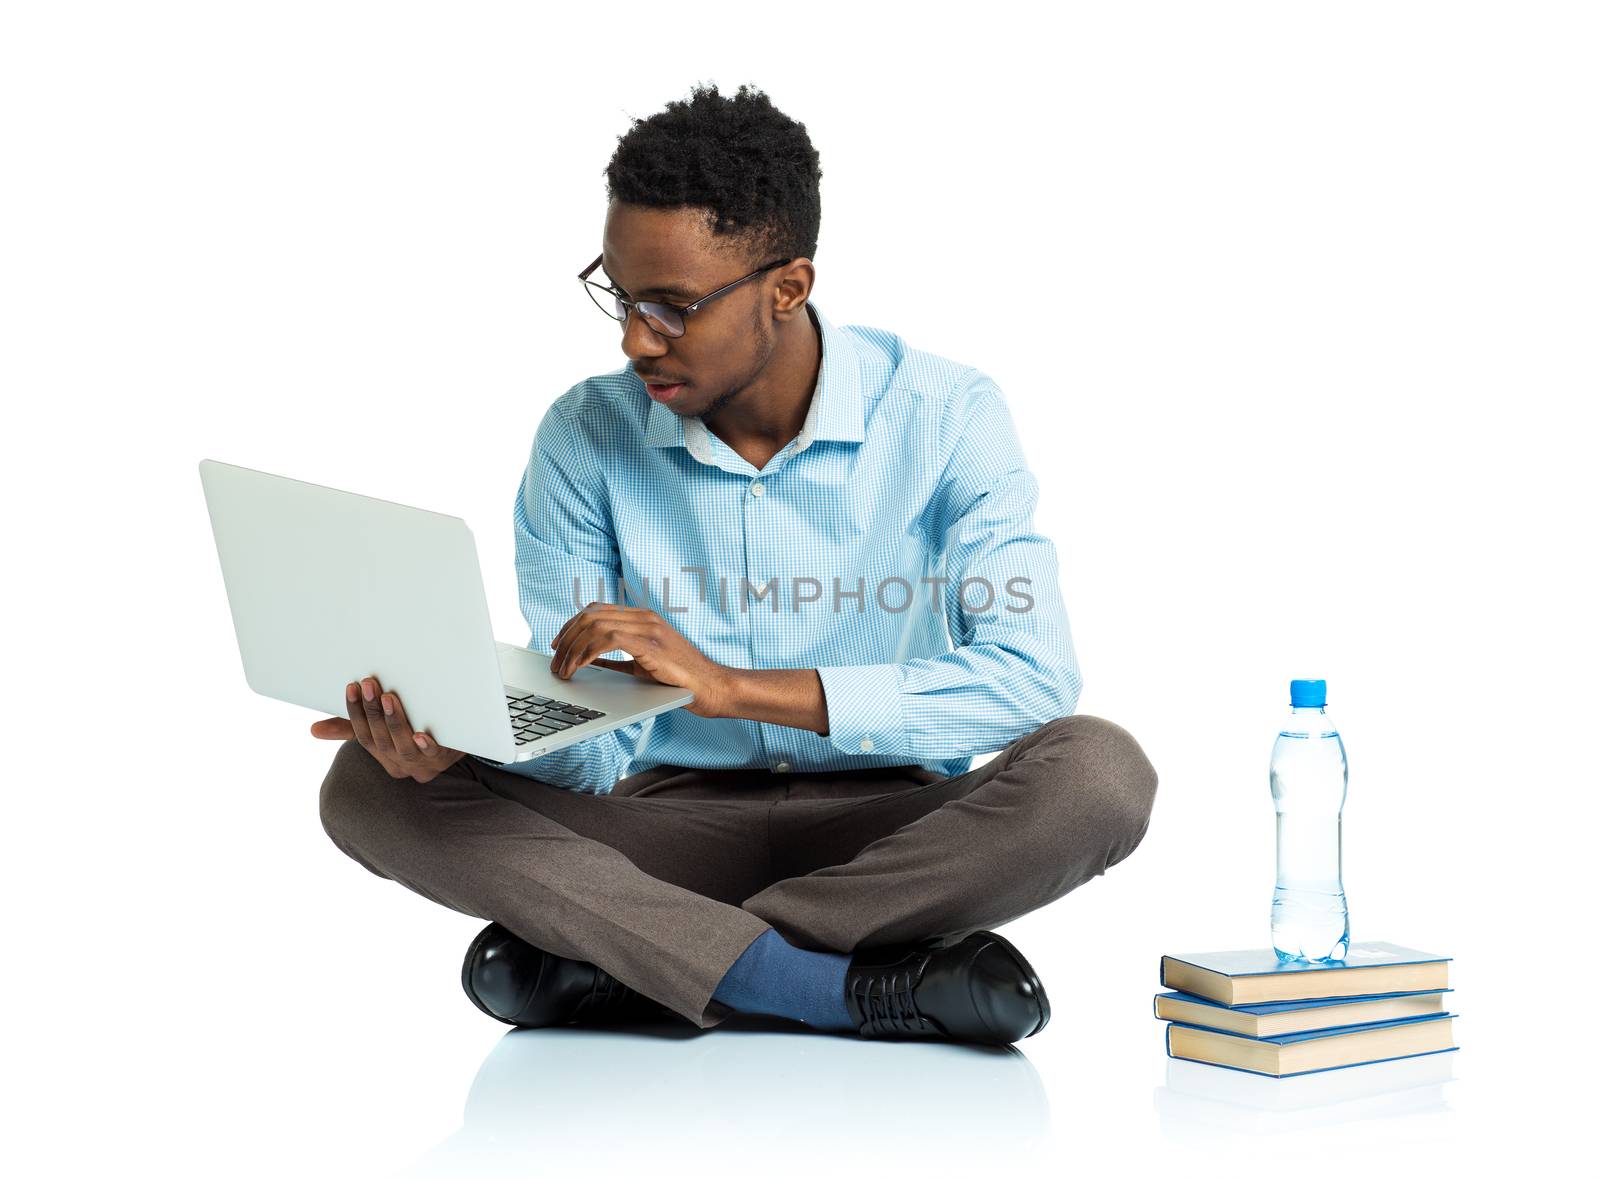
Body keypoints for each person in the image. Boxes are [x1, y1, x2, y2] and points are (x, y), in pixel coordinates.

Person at [313, 82, 1158, 1046]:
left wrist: (731, 688)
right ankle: (822, 985)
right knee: (367, 787)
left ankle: (638, 959)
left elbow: (1032, 678)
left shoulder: (945, 415)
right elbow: (591, 760)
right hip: (662, 834)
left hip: (900, 834)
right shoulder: (583, 438)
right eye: (621, 297)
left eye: (672, 308)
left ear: (788, 287)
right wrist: (462, 741)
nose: (636, 340)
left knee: (1101, 773)